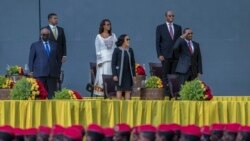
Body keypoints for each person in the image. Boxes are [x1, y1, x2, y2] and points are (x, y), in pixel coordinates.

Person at [156, 10, 182, 97]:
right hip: (165, 55)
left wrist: (180, 55)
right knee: (165, 75)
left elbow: (179, 42)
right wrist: (159, 54)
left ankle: (173, 93)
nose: (171, 17)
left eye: (173, 16)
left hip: (175, 56)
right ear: (166, 17)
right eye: (170, 16)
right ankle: (167, 93)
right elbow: (157, 42)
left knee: (174, 75)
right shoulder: (160, 28)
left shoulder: (178, 27)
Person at [29, 28, 60, 99]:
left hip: (52, 74)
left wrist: (58, 71)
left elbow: (58, 59)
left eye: (47, 34)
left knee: (52, 96)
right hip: (39, 74)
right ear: (41, 35)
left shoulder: (55, 45)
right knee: (40, 95)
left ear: (49, 35)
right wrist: (31, 71)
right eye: (43, 34)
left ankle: (52, 110)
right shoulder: (35, 45)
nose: (45, 36)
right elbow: (31, 59)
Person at [94, 19, 117, 96]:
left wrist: (116, 60)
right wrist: (99, 61)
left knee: (111, 76)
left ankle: (111, 93)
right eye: (107, 24)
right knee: (102, 77)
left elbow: (116, 48)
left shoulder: (113, 36)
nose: (108, 26)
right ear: (103, 26)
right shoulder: (98, 37)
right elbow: (97, 50)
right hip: (103, 62)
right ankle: (102, 94)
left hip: (112, 61)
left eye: (109, 24)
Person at [45, 13, 67, 90]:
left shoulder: (61, 29)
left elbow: (63, 43)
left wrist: (64, 55)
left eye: (57, 18)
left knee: (58, 73)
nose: (56, 20)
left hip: (59, 56)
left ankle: (57, 89)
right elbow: (41, 44)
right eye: (55, 18)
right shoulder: (45, 30)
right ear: (49, 20)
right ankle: (50, 89)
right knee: (50, 73)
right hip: (49, 56)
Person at [112, 34, 136, 100]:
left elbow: (133, 63)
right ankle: (119, 109)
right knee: (119, 91)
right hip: (119, 75)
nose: (129, 41)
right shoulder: (117, 50)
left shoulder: (130, 50)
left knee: (128, 91)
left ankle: (127, 109)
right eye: (127, 39)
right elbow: (113, 64)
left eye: (129, 39)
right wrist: (114, 75)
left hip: (128, 75)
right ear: (123, 40)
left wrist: (134, 75)